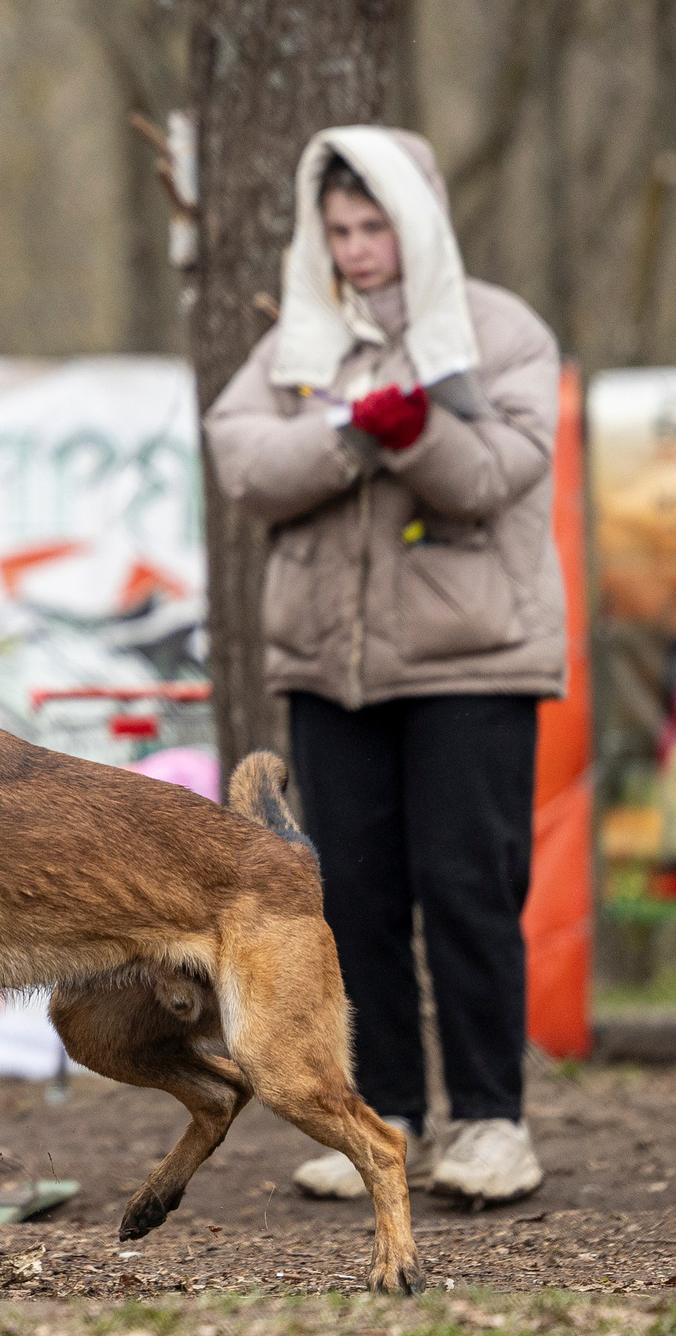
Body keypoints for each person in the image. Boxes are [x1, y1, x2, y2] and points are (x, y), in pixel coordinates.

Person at [202, 126, 562, 1209]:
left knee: (467, 889)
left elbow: (499, 472)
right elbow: (243, 458)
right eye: (339, 230)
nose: (357, 249)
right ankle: (385, 1115)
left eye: (375, 227)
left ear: (419, 224)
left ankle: (494, 1121)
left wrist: (416, 435)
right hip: (331, 668)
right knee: (352, 896)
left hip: (473, 664)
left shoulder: (501, 332)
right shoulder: (301, 341)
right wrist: (357, 435)